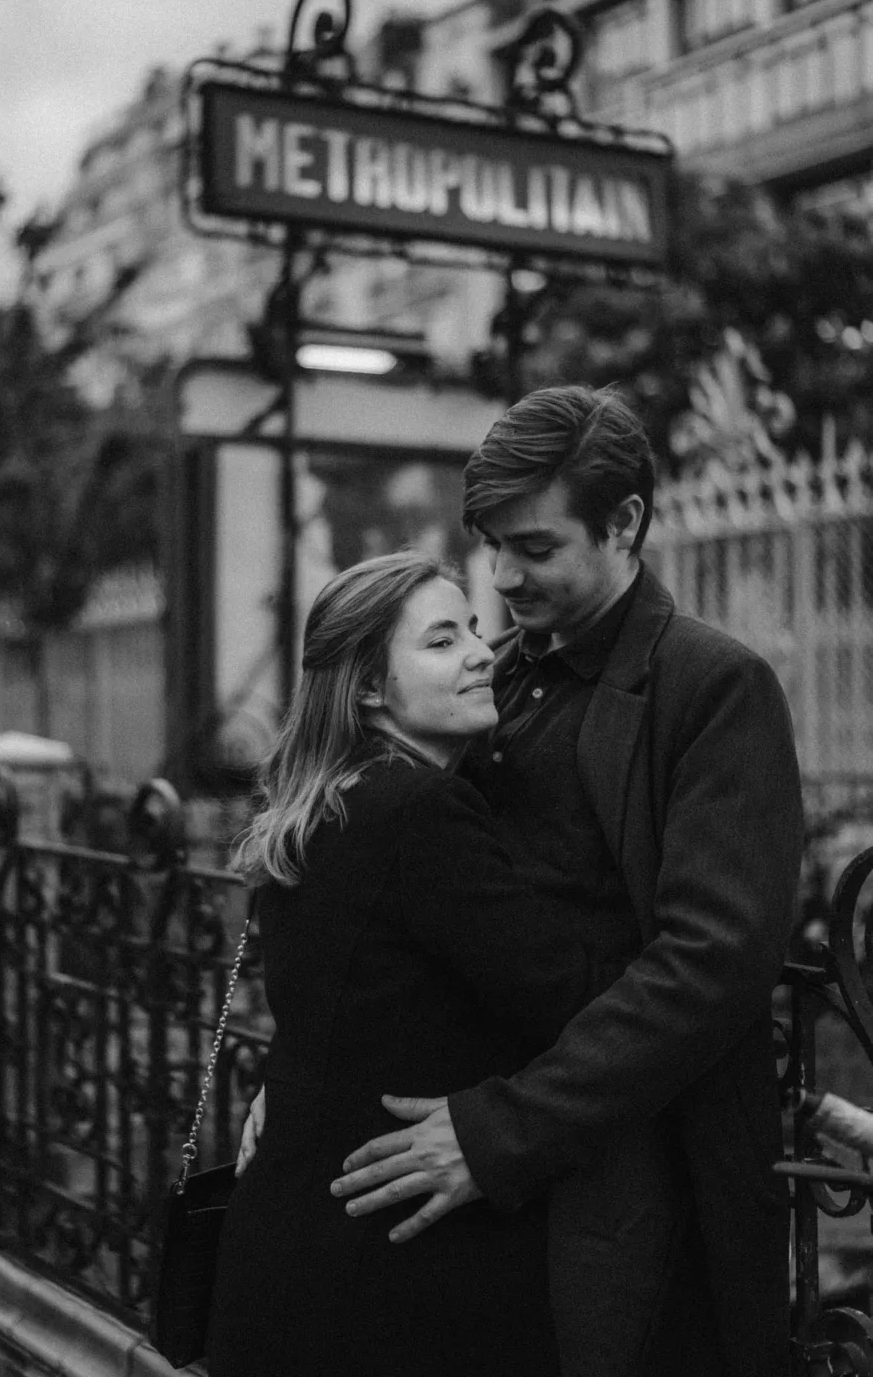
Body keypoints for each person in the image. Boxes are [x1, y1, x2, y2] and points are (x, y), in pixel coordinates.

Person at [323, 386, 804, 1377]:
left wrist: (503, 1131)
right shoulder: (482, 678)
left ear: (622, 523)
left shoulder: (713, 686)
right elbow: (394, 894)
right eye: (492, 544)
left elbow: (710, 965)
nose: (502, 577)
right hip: (477, 1195)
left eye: (535, 548)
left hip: (643, 1193)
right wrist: (309, 1078)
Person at [207, 550, 593, 1377]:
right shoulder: (419, 809)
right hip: (392, 1275)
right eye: (443, 641)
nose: (483, 654)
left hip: (294, 1243)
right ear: (370, 689)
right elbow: (566, 995)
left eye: (476, 631)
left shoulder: (325, 802)